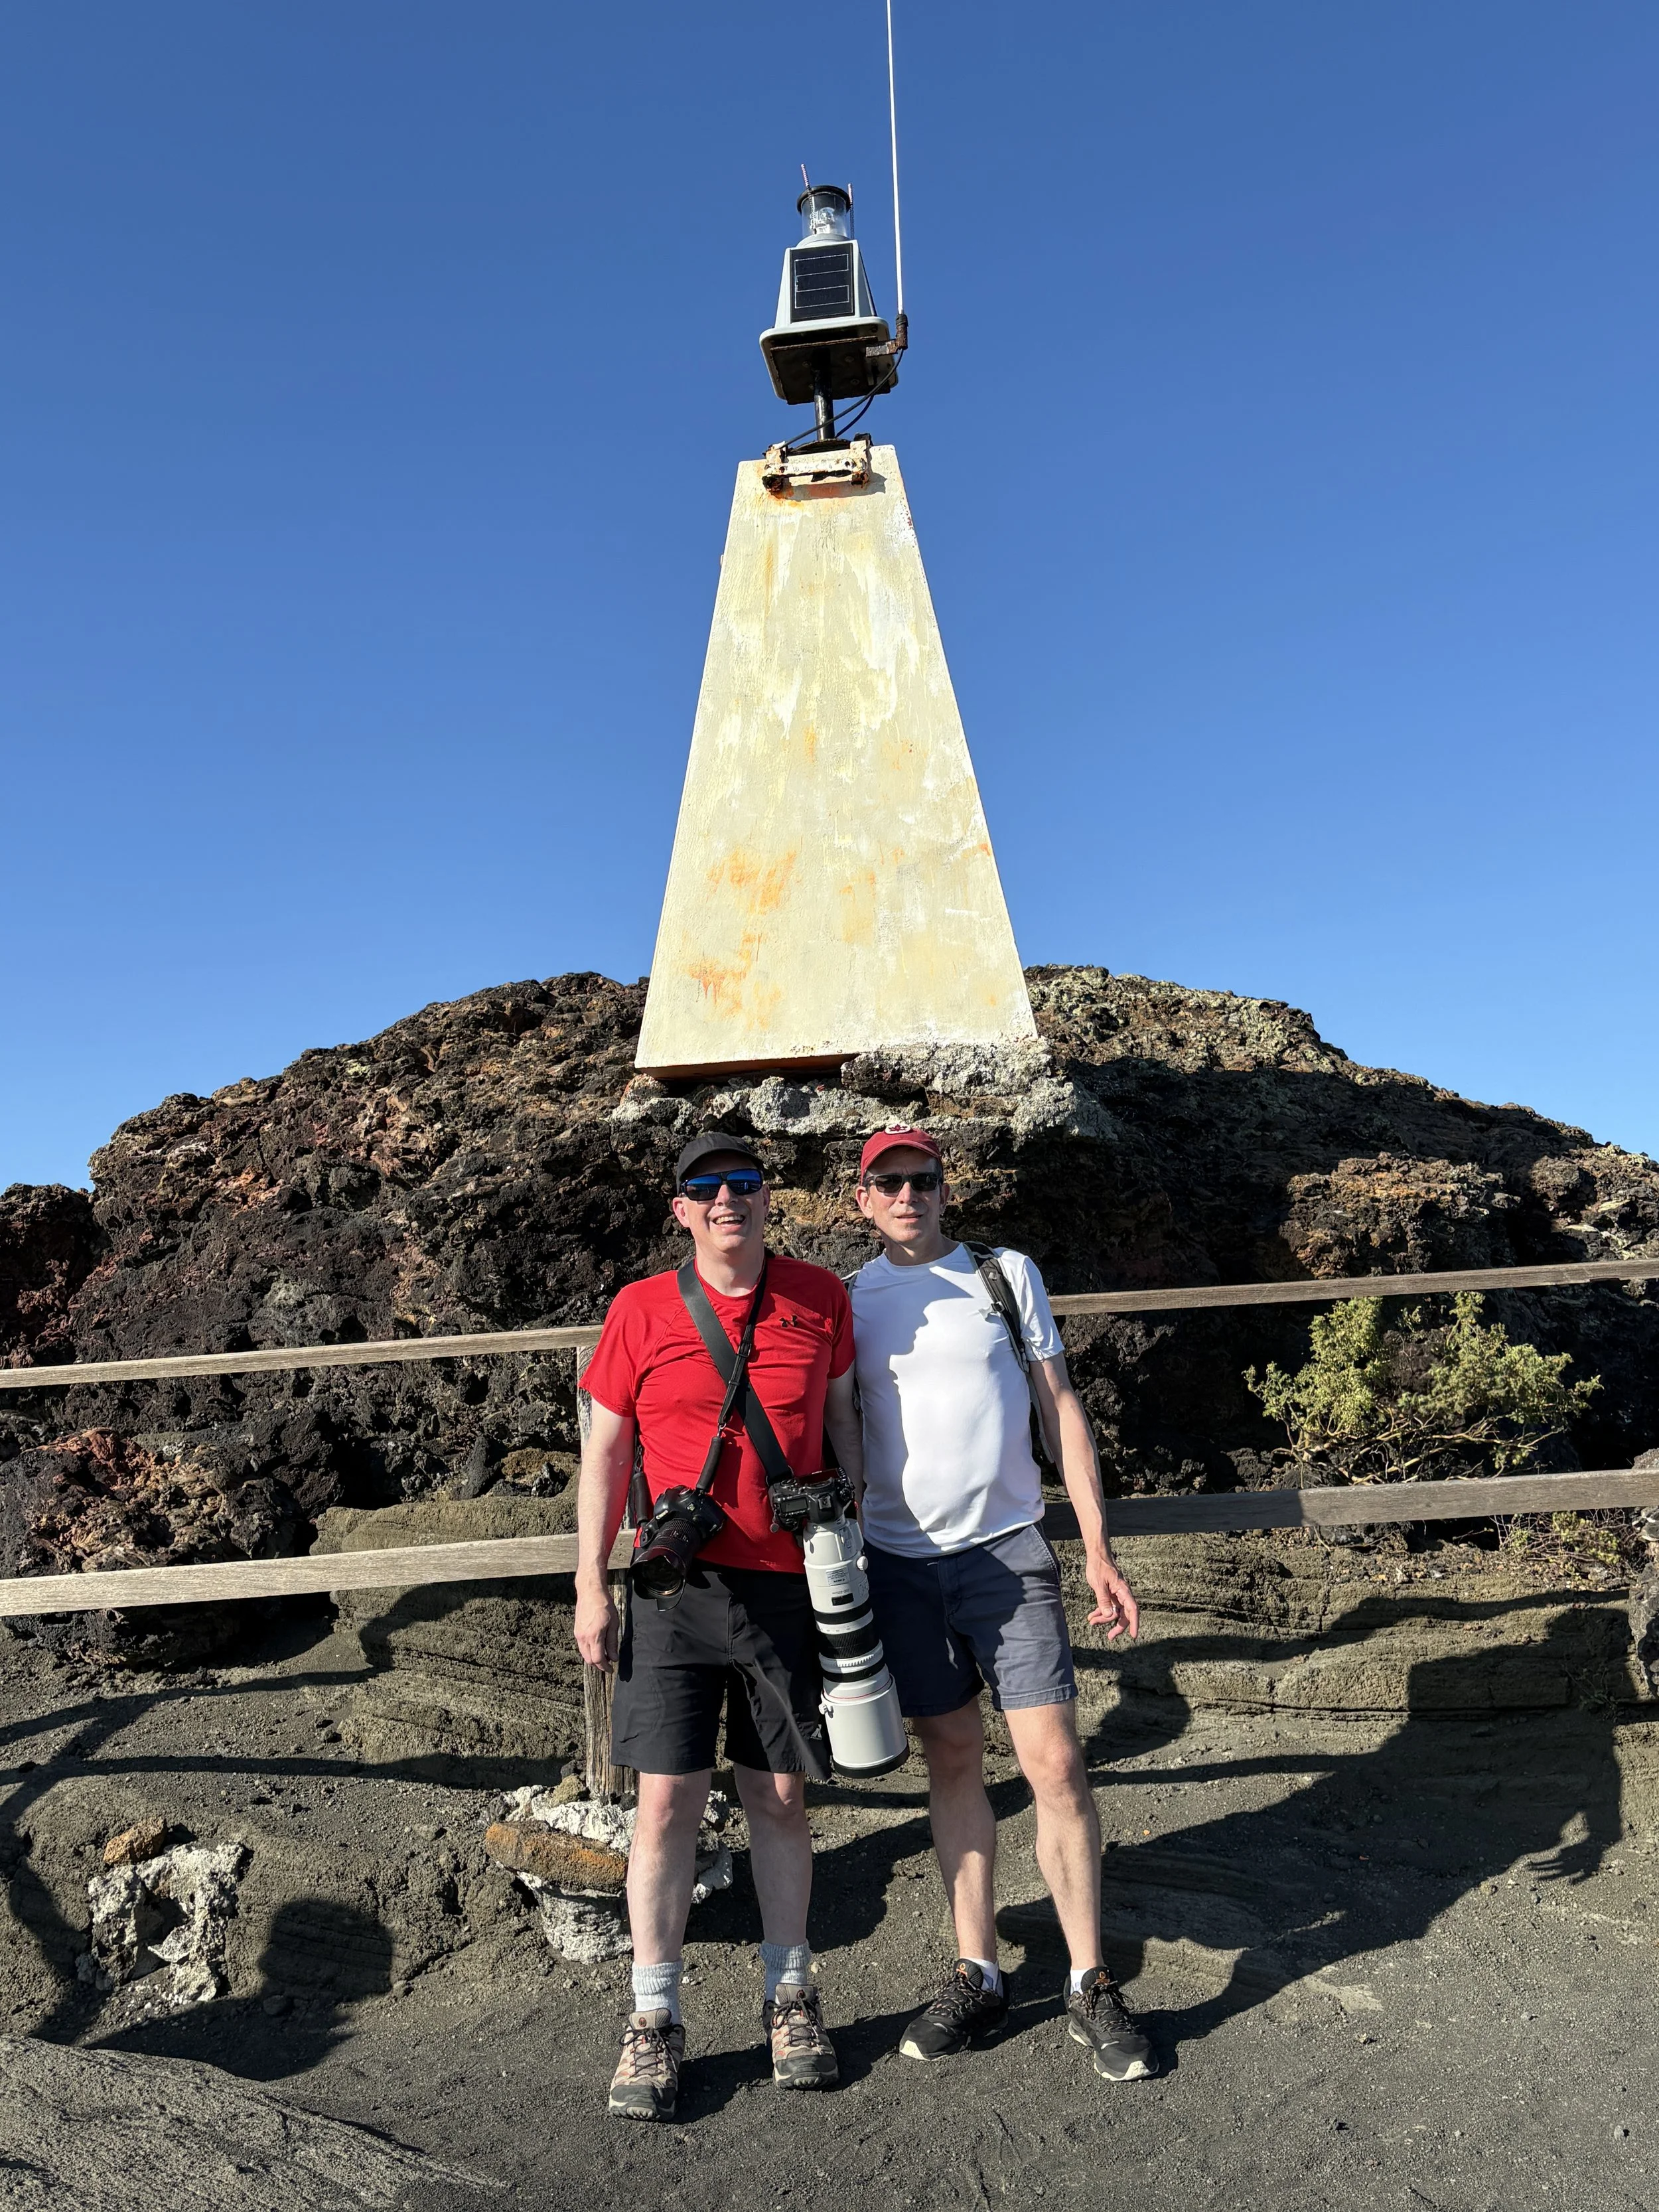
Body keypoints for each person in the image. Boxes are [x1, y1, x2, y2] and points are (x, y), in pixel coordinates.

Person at [848, 1128, 1155, 2083]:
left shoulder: (1005, 1275)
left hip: (1008, 1556)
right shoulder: (849, 1299)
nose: (908, 1195)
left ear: (946, 1190)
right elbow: (834, 1424)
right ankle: (977, 1971)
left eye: (923, 1180)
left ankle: (1088, 1979)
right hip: (900, 1562)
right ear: (862, 1198)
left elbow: (1060, 1405)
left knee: (1055, 1762)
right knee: (950, 1759)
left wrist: (1097, 1544)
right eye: (888, 1183)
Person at [575, 1132, 863, 2122]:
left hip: (789, 1587)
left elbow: (842, 1423)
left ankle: (793, 1997)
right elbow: (606, 1453)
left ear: (769, 1198)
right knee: (666, 1808)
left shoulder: (822, 1297)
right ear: (681, 1210)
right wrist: (590, 1586)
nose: (728, 1200)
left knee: (781, 1798)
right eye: (707, 1189)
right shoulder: (639, 1309)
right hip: (671, 1590)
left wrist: (849, 1537)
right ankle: (652, 2019)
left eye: (744, 1183)